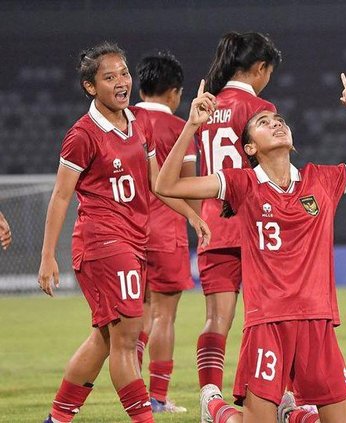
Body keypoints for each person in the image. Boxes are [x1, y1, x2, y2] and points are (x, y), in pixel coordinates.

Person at [156, 74, 346, 423]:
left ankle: (290, 414)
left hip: (318, 322)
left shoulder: (322, 179)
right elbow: (167, 184)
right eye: (265, 123)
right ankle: (216, 408)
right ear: (250, 148)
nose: (276, 125)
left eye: (280, 121)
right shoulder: (241, 183)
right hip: (268, 323)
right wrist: (191, 127)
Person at [38, 42, 208, 423]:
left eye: (124, 73)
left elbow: (157, 184)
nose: (121, 82)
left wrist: (192, 217)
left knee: (105, 338)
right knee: (127, 340)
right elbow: (62, 195)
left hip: (134, 242)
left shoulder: (138, 123)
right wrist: (49, 255)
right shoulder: (82, 134)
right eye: (109, 76)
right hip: (103, 243)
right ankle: (144, 418)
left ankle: (57, 418)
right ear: (90, 87)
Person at [195, 31, 281, 393]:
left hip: (213, 225)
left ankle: (208, 396)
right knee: (266, 318)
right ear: (260, 68)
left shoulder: (207, 106)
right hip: (254, 224)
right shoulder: (260, 111)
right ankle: (258, 394)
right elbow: (272, 171)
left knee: (216, 319)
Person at [134, 52, 198, 413]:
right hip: (167, 231)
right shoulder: (179, 129)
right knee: (164, 316)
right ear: (174, 92)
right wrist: (199, 222)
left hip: (127, 231)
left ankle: (134, 392)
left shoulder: (125, 119)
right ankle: (156, 397)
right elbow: (190, 185)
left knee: (137, 313)